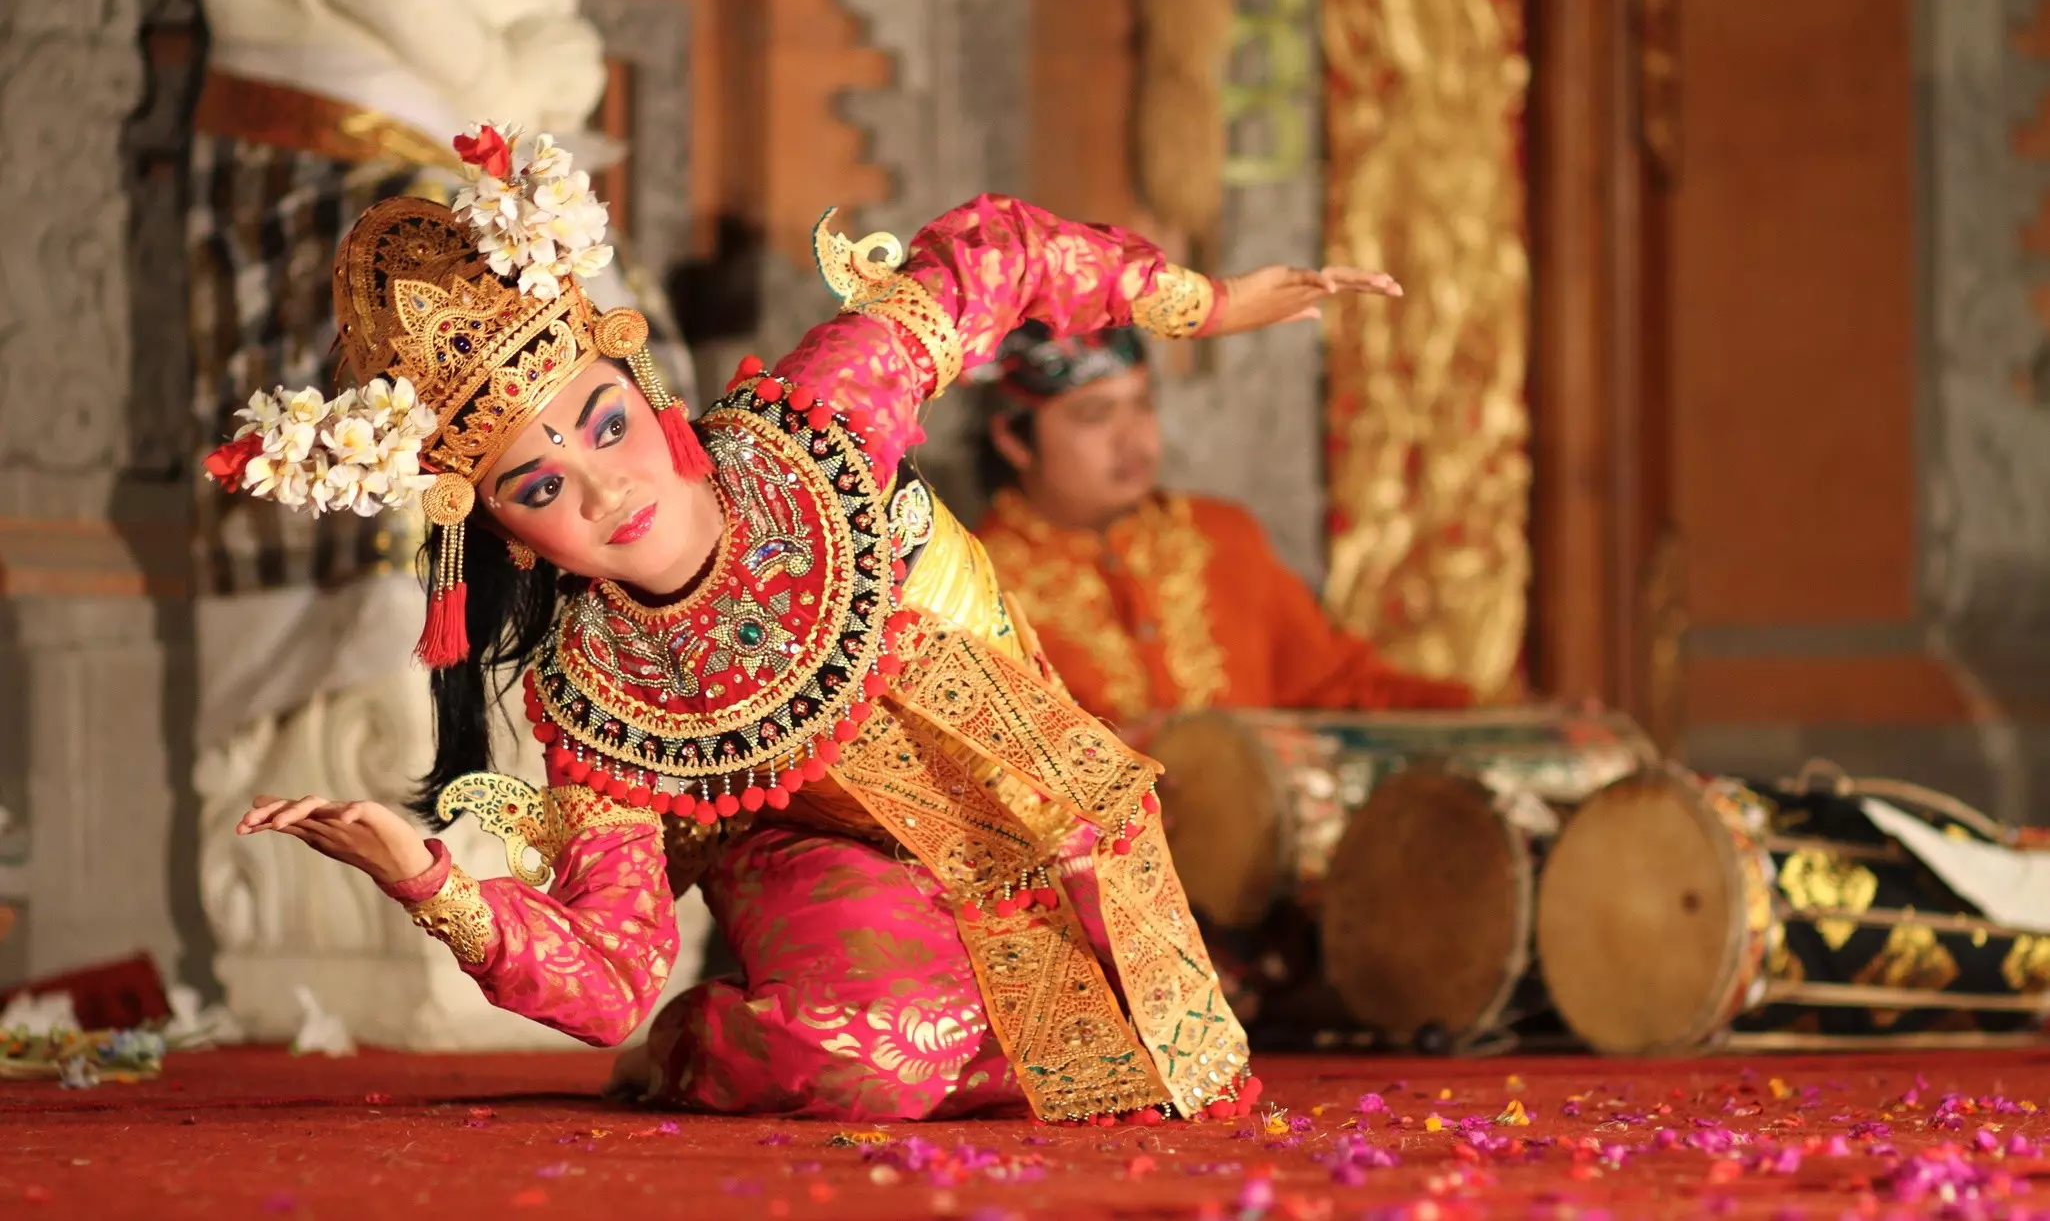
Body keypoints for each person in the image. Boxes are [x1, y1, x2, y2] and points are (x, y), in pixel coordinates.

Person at [209, 124, 1399, 1123]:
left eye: (603, 426)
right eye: (538, 484)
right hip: (813, 861)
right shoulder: (598, 700)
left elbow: (993, 256)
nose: (603, 488)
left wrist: (1207, 300)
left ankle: (967, 1015)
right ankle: (719, 1044)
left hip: (1022, 799)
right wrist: (428, 880)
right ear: (516, 537)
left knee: (1164, 1058)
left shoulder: (817, 421)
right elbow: (613, 973)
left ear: (647, 392)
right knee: (880, 1053)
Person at [971, 324, 1473, 734]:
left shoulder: (1223, 536)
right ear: (1014, 439)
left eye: (1143, 405)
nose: (1135, 441)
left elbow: (1337, 688)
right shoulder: (975, 590)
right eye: (1095, 415)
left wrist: (1481, 718)